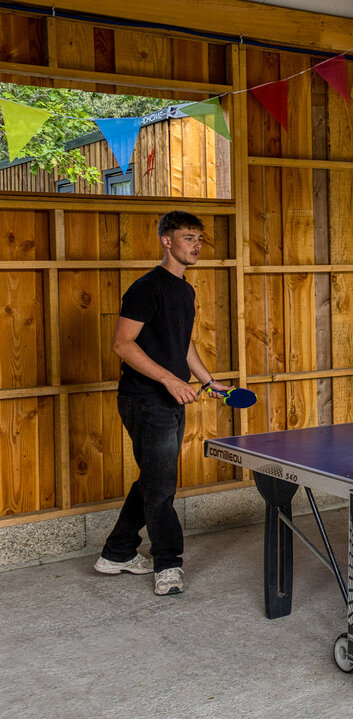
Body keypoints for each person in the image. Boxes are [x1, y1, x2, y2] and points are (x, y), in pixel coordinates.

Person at [94, 211, 228, 595]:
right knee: (162, 482)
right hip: (144, 399)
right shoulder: (146, 288)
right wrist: (170, 380)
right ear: (166, 241)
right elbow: (122, 344)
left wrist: (208, 380)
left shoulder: (185, 290)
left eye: (199, 238)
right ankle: (168, 564)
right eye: (188, 237)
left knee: (155, 477)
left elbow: (180, 343)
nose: (196, 244)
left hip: (170, 399)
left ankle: (117, 551)